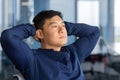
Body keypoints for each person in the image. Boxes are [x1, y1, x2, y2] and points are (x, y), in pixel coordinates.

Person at [1, 10, 100, 80]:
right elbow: (8, 36)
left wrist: (65, 26)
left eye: (63, 26)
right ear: (40, 34)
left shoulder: (74, 53)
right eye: (55, 26)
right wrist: (32, 29)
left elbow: (94, 32)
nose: (62, 30)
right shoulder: (32, 59)